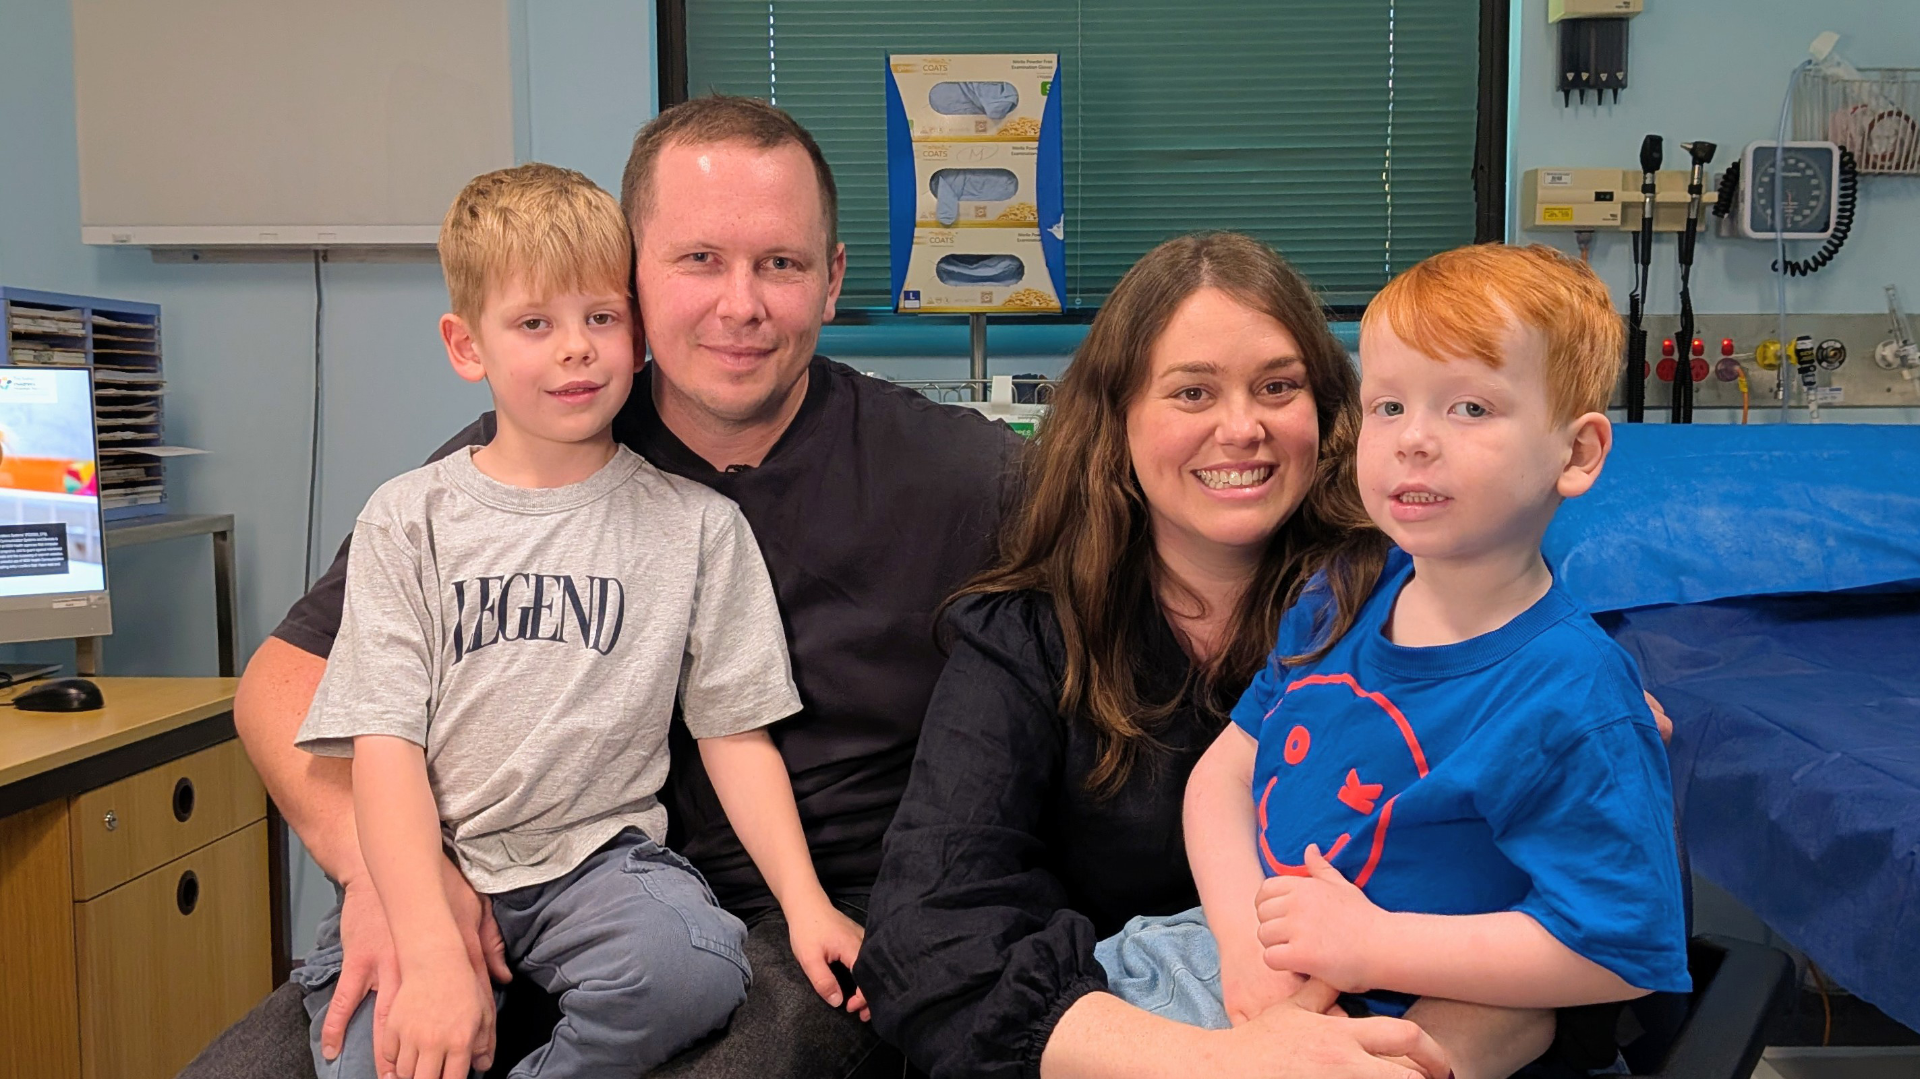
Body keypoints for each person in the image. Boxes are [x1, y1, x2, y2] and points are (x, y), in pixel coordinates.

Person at [185, 96, 1020, 1079]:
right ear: (635, 277)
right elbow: (280, 684)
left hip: (782, 920)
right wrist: (385, 878)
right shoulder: (510, 467)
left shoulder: (964, 476)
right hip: (481, 882)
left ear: (831, 279)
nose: (740, 305)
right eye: (699, 259)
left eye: (781, 264)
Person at [859, 232, 1566, 1079]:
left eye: (1278, 386)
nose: (1243, 428)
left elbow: (1577, 912)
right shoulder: (1029, 636)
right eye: (1193, 391)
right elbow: (925, 937)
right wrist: (1230, 1061)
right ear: (1117, 419)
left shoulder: (1428, 599)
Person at [287, 161, 876, 1079]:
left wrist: (806, 905)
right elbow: (384, 749)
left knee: (692, 969)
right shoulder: (408, 520)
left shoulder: (697, 527)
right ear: (466, 344)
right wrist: (431, 947)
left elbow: (735, 734)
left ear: (637, 336)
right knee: (373, 1058)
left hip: (602, 864)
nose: (576, 350)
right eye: (535, 324)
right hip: (437, 861)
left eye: (601, 318)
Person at [1093, 242, 1690, 1064]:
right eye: (1389, 405)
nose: (1414, 439)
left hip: (1414, 1010)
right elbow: (1221, 777)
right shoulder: (1342, 594)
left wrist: (1373, 945)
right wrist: (1247, 952)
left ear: (1577, 453)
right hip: (1237, 963)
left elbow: (1618, 950)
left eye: (1470, 407)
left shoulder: (1575, 695)